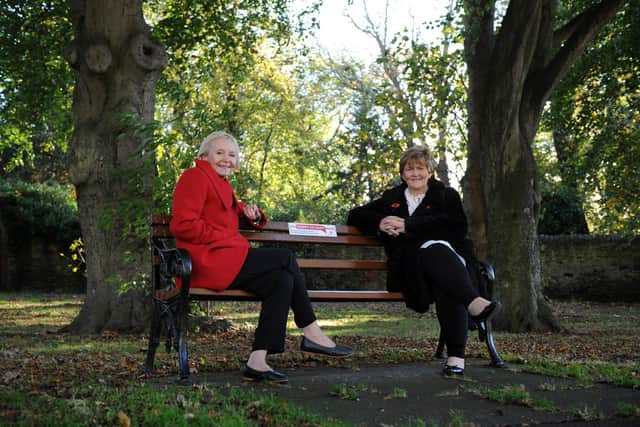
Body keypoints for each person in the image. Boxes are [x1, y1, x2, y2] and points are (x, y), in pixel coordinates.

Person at [170, 131, 352, 383]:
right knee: (285, 257)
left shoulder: (220, 183)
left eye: (232, 154)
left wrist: (249, 214)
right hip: (207, 262)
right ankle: (312, 332)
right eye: (219, 153)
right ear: (204, 156)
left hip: (225, 260)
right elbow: (183, 225)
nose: (226, 159)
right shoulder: (195, 176)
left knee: (281, 282)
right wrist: (223, 236)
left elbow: (227, 211)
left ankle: (258, 361)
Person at [347, 145, 499, 376]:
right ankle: (473, 306)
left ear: (430, 172)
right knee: (445, 276)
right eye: (409, 169)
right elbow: (355, 215)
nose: (415, 173)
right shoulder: (392, 198)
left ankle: (456, 359)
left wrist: (409, 225)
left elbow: (455, 228)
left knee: (442, 264)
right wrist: (380, 222)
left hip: (452, 260)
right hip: (412, 270)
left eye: (421, 168)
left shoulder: (446, 195)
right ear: (402, 173)